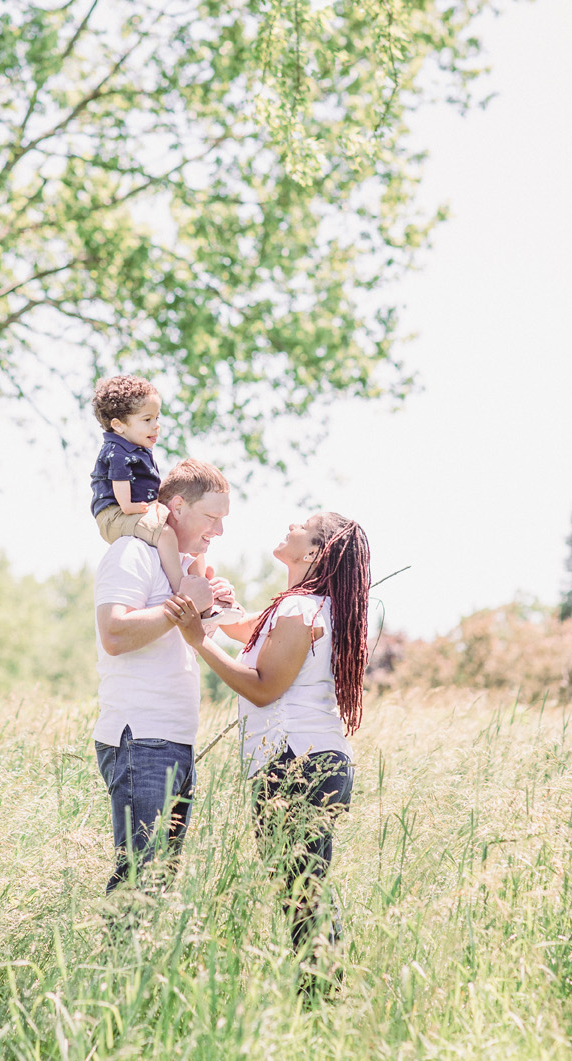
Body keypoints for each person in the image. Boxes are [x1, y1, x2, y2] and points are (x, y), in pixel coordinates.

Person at [167, 512, 370, 981]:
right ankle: (322, 1000)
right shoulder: (302, 606)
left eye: (306, 524)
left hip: (297, 763)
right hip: (304, 760)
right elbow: (244, 631)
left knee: (302, 894)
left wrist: (198, 640)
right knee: (303, 889)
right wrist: (212, 599)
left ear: (314, 552)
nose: (293, 523)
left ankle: (322, 1003)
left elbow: (262, 688)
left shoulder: (302, 610)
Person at [93, 459, 233, 893]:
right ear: (176, 505)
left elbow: (192, 636)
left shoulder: (182, 568)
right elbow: (114, 634)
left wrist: (213, 607)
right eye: (211, 517)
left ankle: (144, 964)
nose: (219, 530)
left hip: (177, 740)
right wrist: (181, 607)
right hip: (141, 738)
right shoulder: (132, 552)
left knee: (159, 884)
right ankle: (118, 962)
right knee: (138, 882)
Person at [89, 374, 207, 597]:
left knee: (187, 530)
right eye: (147, 420)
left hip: (130, 511)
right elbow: (123, 497)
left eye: (157, 418)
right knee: (165, 533)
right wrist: (137, 508)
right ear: (119, 425)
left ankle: (202, 584)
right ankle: (183, 591)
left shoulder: (137, 449)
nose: (156, 426)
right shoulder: (117, 452)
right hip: (114, 516)